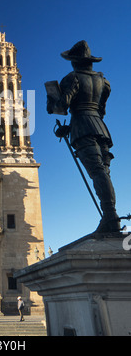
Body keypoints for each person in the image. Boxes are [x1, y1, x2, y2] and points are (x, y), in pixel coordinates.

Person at [46, 40, 120, 233]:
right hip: (101, 128)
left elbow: (62, 106)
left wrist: (51, 100)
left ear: (74, 61)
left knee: (97, 172)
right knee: (104, 172)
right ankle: (110, 216)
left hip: (82, 128)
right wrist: (69, 128)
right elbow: (100, 111)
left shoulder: (72, 78)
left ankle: (110, 217)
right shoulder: (103, 81)